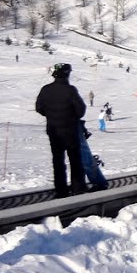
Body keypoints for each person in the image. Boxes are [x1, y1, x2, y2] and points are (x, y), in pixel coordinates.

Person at [35, 62, 87, 197]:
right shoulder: (70, 90)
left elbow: (39, 108)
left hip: (53, 131)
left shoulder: (45, 89)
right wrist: (70, 116)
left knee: (58, 161)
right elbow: (81, 110)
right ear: (67, 74)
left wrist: (51, 115)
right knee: (75, 160)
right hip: (70, 130)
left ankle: (61, 190)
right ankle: (78, 188)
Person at [78, 122, 108, 191]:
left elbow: (79, 112)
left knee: (85, 158)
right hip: (57, 125)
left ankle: (99, 182)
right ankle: (77, 186)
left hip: (72, 125)